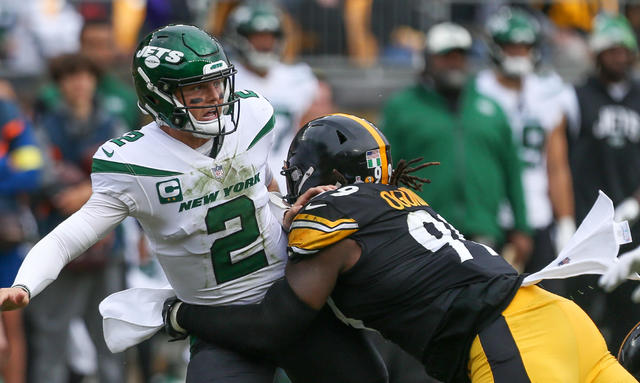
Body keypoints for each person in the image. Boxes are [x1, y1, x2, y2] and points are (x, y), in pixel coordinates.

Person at [0, 25, 387, 383]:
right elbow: (67, 239)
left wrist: (283, 208)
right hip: (220, 323)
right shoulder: (135, 164)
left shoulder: (252, 116)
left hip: (292, 295)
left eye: (219, 84)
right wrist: (24, 285)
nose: (216, 99)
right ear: (158, 95)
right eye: (197, 90)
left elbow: (261, 183)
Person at [161, 113, 636, 383]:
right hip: (561, 321)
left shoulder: (329, 220)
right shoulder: (402, 203)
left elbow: (271, 327)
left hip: (510, 342)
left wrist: (181, 315)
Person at [381, 22, 532, 267]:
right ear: (427, 60)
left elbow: (512, 171)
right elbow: (384, 174)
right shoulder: (402, 108)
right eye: (445, 56)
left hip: (483, 229)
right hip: (422, 231)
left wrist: (522, 226)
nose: (454, 62)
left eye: (459, 56)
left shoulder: (491, 108)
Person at [26, 52, 127, 383]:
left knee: (112, 339)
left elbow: (128, 176)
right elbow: (42, 176)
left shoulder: (112, 122)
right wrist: (89, 188)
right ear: (60, 84)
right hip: (60, 247)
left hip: (106, 247)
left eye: (85, 76)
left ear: (95, 80)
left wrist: (86, 190)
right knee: (50, 340)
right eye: (71, 77)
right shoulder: (45, 125)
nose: (79, 83)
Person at [475, 7, 575, 286]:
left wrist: (565, 220)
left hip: (538, 214)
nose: (518, 53)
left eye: (525, 46)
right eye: (511, 46)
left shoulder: (549, 92)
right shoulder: (477, 93)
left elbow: (556, 164)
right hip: (491, 215)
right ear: (496, 47)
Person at [567, 13, 640, 351]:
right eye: (611, 50)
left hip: (633, 228)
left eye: (624, 49)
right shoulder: (575, 96)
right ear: (597, 53)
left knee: (629, 320)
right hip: (589, 226)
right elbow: (558, 161)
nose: (619, 56)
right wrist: (565, 219)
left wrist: (636, 202)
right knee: (584, 318)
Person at [224, 2, 319, 190]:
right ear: (239, 37)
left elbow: (313, 135)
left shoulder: (300, 78)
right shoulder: (225, 80)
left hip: (289, 177)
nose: (265, 44)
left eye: (270, 37)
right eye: (257, 37)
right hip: (243, 179)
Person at [0, 95, 43, 383]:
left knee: (12, 328)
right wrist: (6, 166)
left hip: (8, 238)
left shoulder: (7, 112)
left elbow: (32, 173)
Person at [37, 18, 139, 131]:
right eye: (92, 45)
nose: (98, 53)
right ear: (80, 46)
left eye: (105, 45)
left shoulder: (129, 97)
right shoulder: (49, 96)